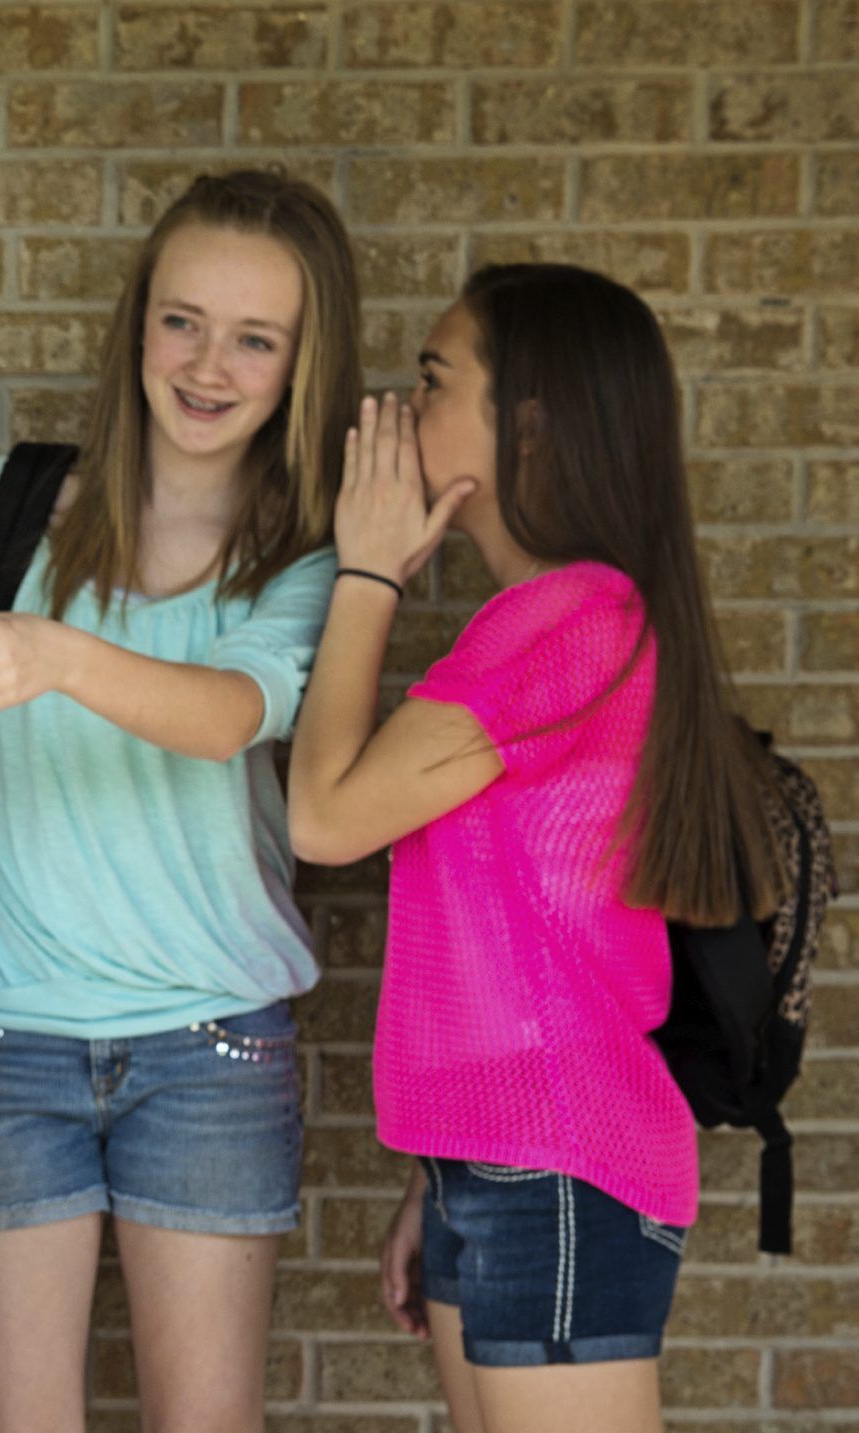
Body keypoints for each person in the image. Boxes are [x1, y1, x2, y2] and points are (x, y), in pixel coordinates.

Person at [0, 170, 361, 1430]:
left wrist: (61, 656)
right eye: (183, 320)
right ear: (138, 320)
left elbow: (232, 713)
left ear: (304, 363)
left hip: (212, 1048)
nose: (208, 364)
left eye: (257, 338)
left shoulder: (306, 554)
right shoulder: (9, 507)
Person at [289, 264, 778, 1433]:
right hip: (504, 1162)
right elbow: (526, 941)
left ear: (531, 426)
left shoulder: (568, 620)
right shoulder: (571, 620)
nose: (402, 414)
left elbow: (323, 815)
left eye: (431, 381)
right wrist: (438, 1175)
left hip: (555, 1167)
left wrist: (366, 572)